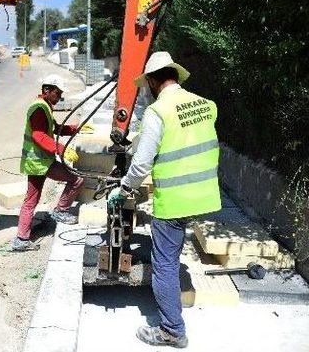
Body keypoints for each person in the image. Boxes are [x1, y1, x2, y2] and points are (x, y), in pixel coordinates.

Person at [108, 51, 221, 348]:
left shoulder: (157, 112)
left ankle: (172, 331)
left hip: (175, 199)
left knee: (165, 264)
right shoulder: (205, 105)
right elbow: (183, 140)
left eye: (147, 83)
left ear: (155, 81)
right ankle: (172, 321)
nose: (146, 89)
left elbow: (142, 163)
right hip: (204, 194)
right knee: (172, 252)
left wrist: (124, 189)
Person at [12, 74, 92, 252]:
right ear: (47, 90)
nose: (59, 97)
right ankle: (60, 211)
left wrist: (75, 129)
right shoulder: (39, 108)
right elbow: (39, 135)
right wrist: (62, 149)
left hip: (38, 161)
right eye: (58, 93)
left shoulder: (45, 106)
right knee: (76, 179)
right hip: (39, 162)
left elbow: (55, 128)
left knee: (31, 199)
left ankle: (21, 239)